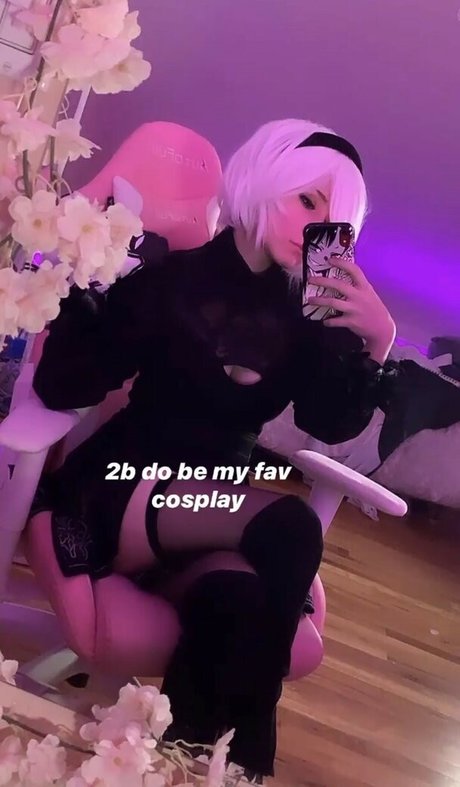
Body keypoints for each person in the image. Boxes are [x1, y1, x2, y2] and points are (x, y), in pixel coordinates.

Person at [30, 118, 397, 785]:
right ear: (264, 180)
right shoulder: (172, 281)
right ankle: (254, 748)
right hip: (123, 487)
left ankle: (187, 768)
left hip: (213, 507)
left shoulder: (306, 317)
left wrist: (377, 341)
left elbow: (329, 421)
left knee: (239, 600)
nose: (316, 226)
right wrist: (83, 291)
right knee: (291, 523)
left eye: (335, 220)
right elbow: (65, 385)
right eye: (307, 200)